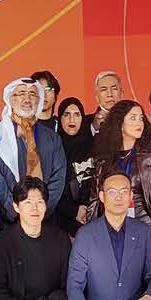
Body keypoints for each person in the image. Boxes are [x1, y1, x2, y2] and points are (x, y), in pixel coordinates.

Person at [0, 178, 74, 300]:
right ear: (16, 206)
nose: (34, 208)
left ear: (46, 206)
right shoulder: (3, 242)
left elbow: (71, 285)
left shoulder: (60, 239)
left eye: (40, 202)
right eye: (28, 203)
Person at [90, 100, 151, 245]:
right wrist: (91, 235)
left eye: (141, 118)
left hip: (144, 228)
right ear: (120, 123)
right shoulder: (104, 159)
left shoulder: (150, 158)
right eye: (133, 118)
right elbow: (95, 200)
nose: (139, 123)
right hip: (110, 228)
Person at [0, 77, 68, 224]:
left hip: (45, 221)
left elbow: (58, 179)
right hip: (10, 223)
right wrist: (17, 213)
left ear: (39, 101)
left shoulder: (52, 138)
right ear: (10, 100)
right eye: (21, 93)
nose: (27, 99)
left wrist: (41, 211)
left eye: (33, 94)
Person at [55, 96, 96, 228]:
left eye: (77, 115)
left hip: (94, 217)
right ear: (60, 118)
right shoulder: (53, 147)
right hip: (62, 221)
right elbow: (50, 189)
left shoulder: (94, 145)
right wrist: (74, 212)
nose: (72, 120)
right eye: (66, 114)